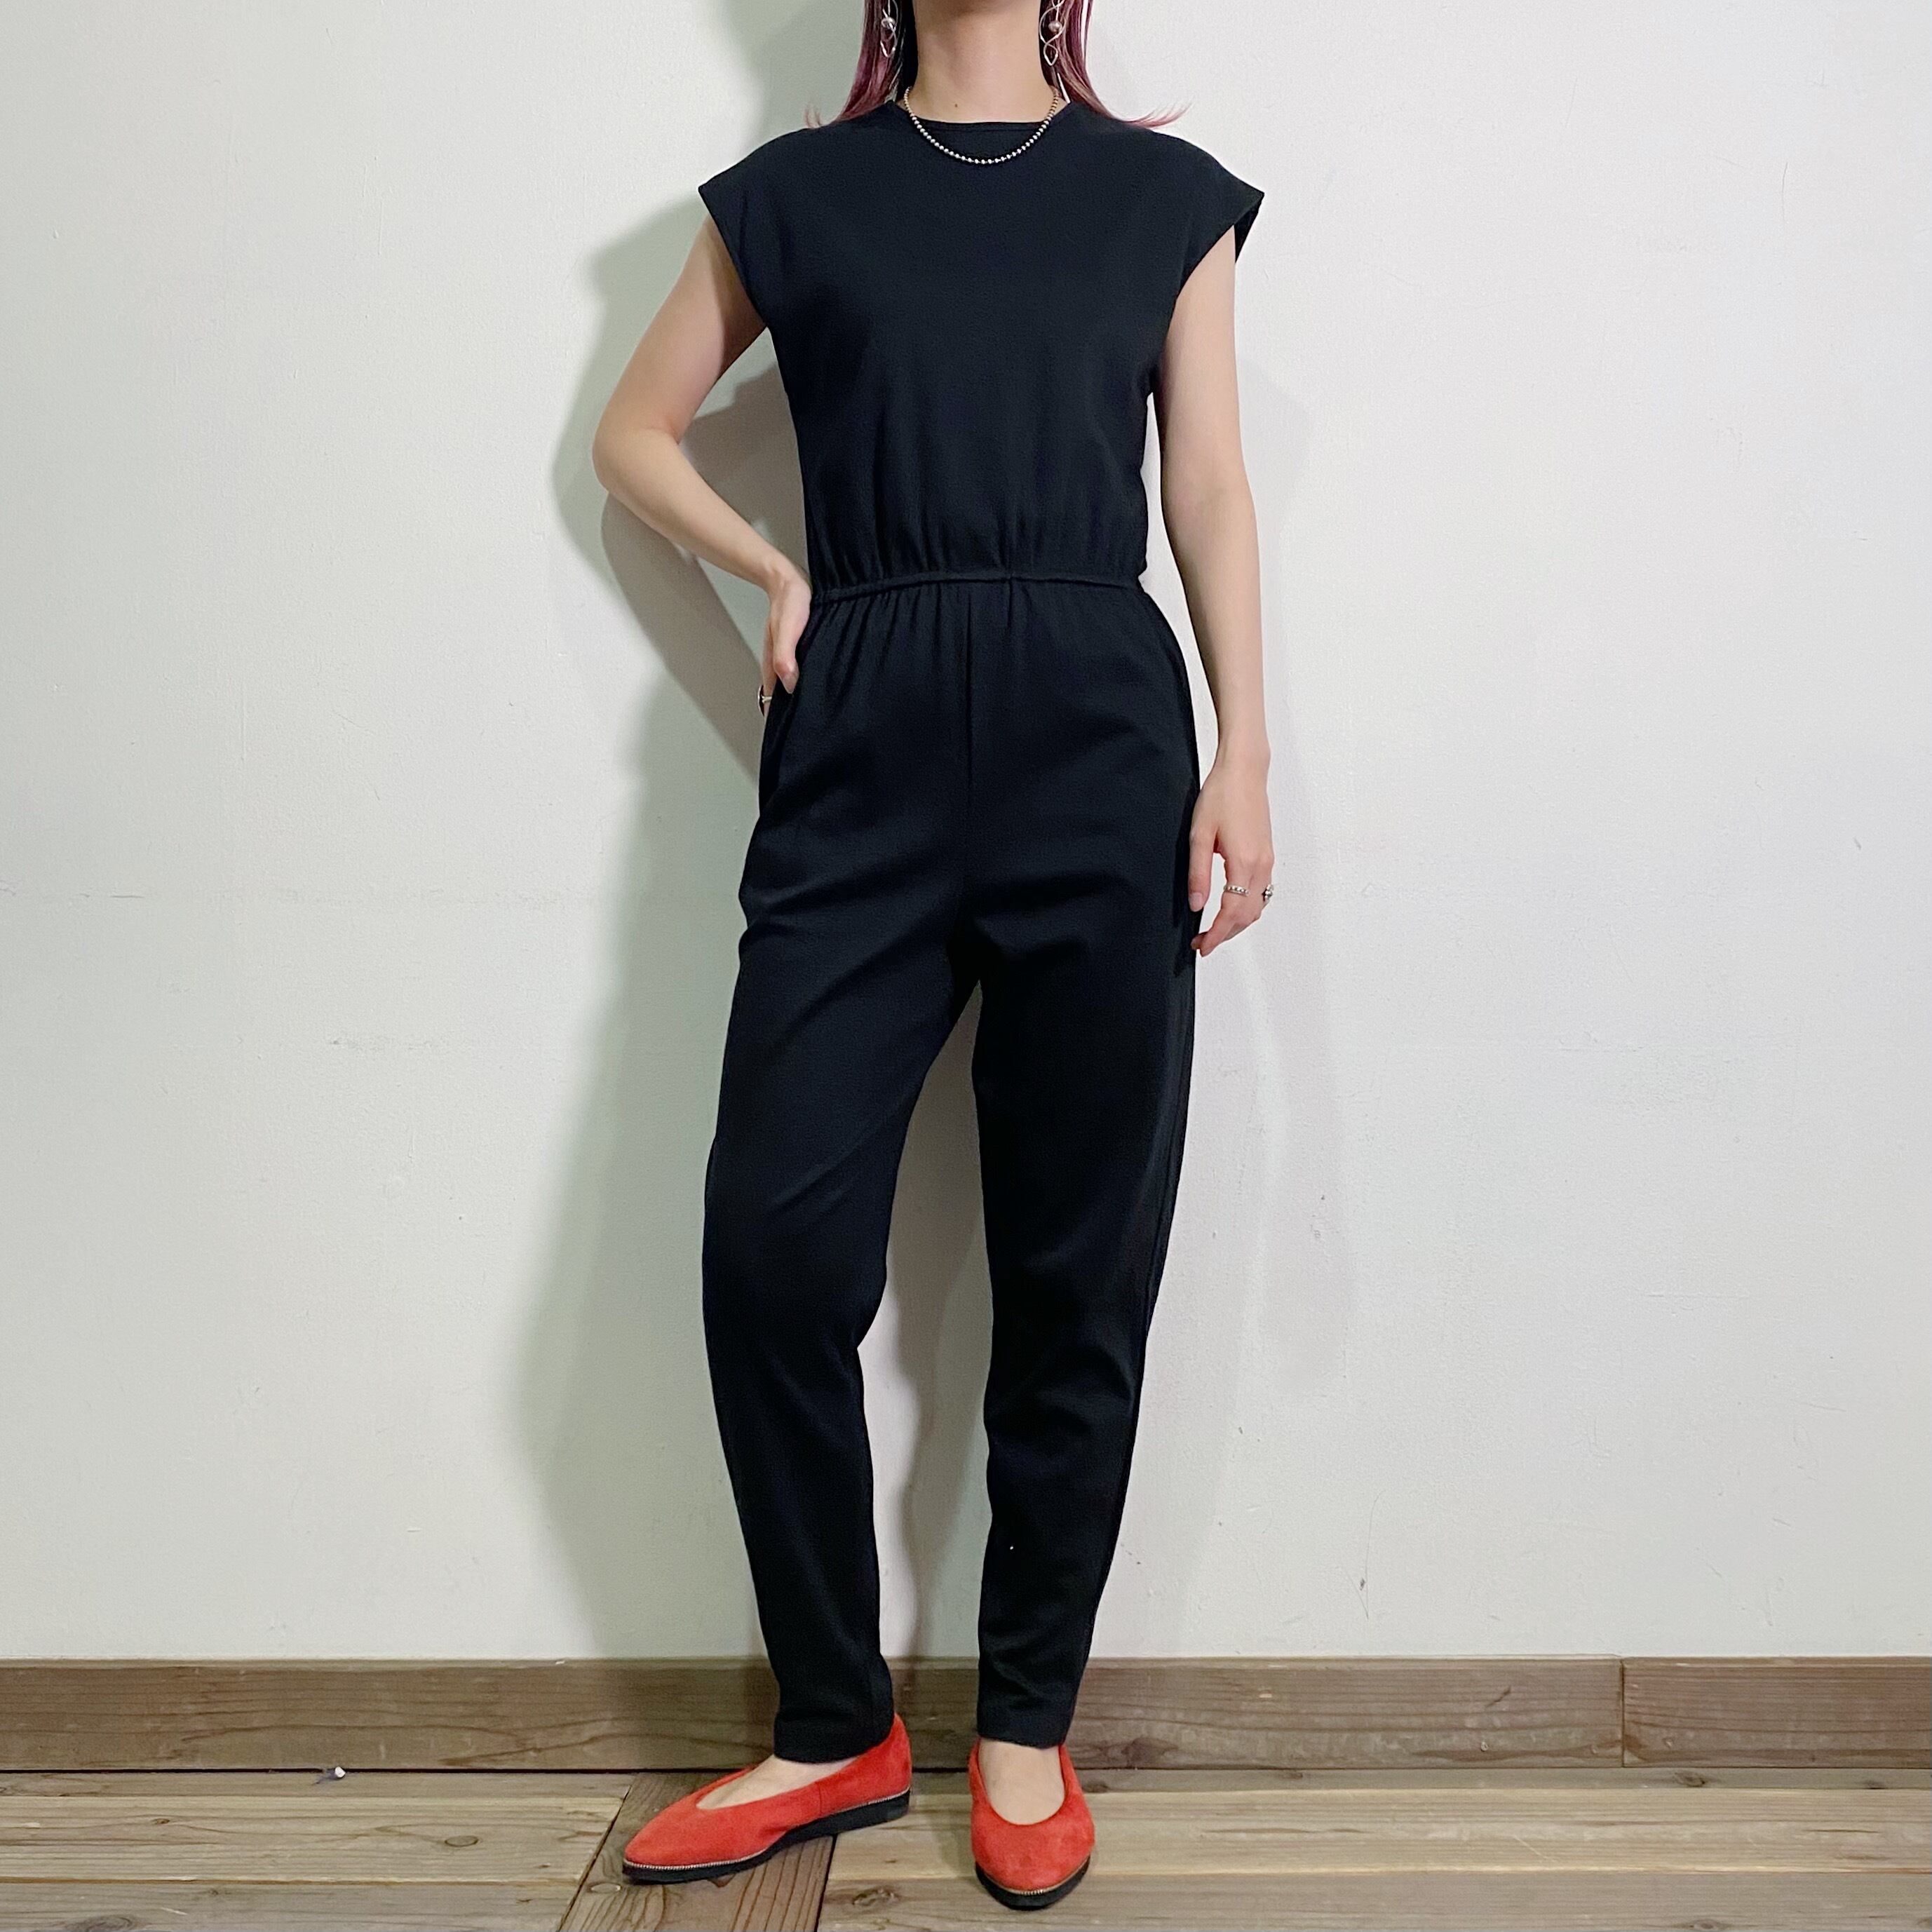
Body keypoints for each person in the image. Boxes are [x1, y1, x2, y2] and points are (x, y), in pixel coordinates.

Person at [590, 0, 1269, 1908]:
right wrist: (770, 564)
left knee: (1079, 1261)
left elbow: (1208, 490)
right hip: (859, 741)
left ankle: (1027, 1721)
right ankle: (835, 1723)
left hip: (1096, 740)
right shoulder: (793, 198)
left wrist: (1244, 755)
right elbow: (628, 435)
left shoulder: (1163, 202)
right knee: (768, 1250)